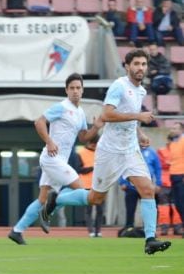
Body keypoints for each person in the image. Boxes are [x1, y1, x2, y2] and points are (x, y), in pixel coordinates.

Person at [43, 49, 171, 255]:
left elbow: (129, 117)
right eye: (136, 64)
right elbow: (107, 115)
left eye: (144, 64)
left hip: (130, 149)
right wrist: (139, 116)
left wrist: (139, 134)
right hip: (110, 151)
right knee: (95, 199)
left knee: (147, 189)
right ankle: (57, 199)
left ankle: (150, 239)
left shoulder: (140, 91)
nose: (141, 68)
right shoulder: (119, 86)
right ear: (127, 66)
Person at [119, 139, 162, 235]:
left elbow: (158, 168)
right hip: (130, 186)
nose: (142, 142)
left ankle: (149, 230)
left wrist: (158, 183)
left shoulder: (151, 152)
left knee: (149, 206)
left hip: (146, 186)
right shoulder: (128, 152)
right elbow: (121, 166)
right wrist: (122, 182)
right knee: (130, 208)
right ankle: (128, 228)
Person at [157, 127, 183, 236]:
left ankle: (178, 227)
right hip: (171, 178)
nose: (172, 129)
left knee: (180, 204)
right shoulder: (173, 145)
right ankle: (166, 227)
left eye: (175, 127)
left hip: (180, 176)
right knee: (178, 204)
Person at [77, 135, 103, 237]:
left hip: (100, 185)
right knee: (88, 210)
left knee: (100, 210)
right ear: (89, 143)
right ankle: (91, 231)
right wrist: (92, 168)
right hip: (86, 185)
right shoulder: (81, 153)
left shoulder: (101, 152)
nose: (95, 147)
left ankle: (98, 231)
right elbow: (78, 169)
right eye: (94, 145)